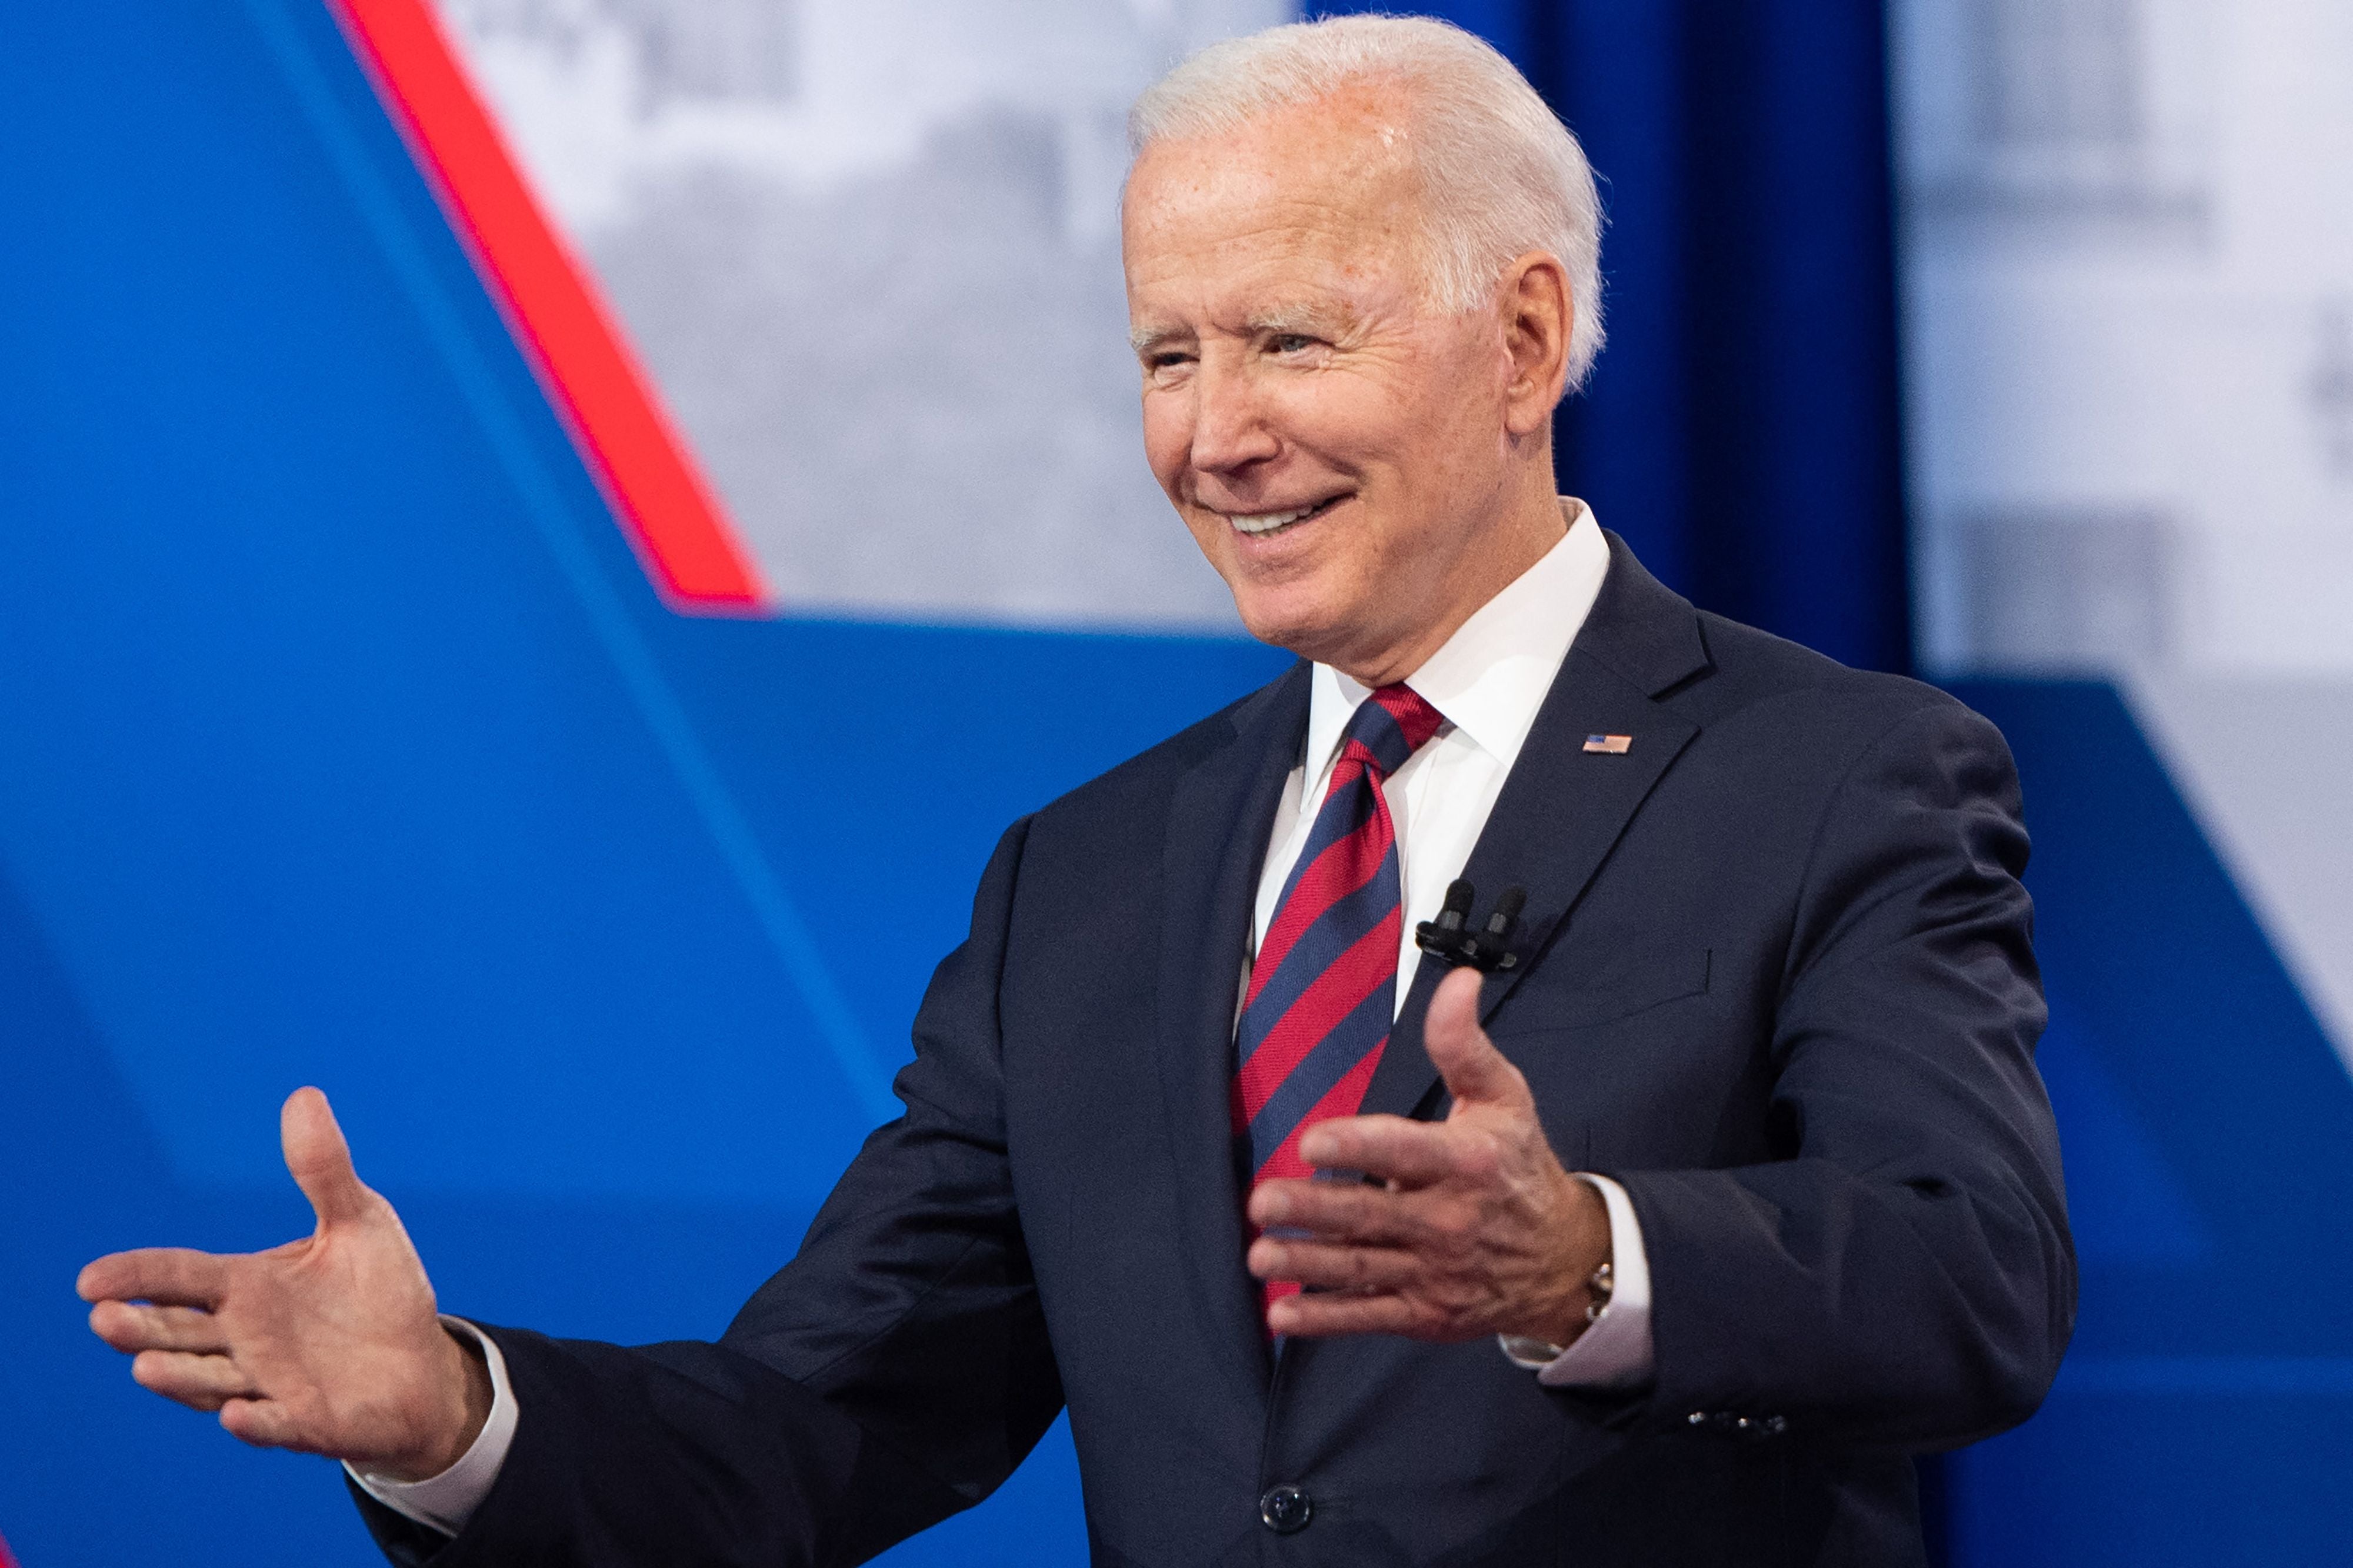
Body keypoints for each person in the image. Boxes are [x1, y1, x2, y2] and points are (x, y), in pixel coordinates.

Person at [78, 16, 2072, 1566]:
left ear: (1525, 336)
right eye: (1167, 354)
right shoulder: (1090, 880)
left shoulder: (1839, 774)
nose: (1218, 436)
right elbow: (820, 1424)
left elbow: (1971, 1274)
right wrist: (452, 1414)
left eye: (1289, 337)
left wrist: (1588, 1260)